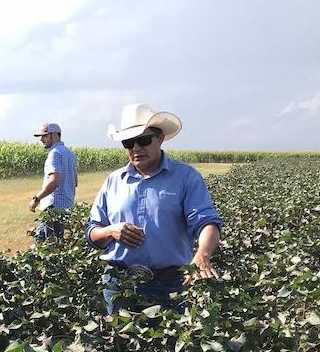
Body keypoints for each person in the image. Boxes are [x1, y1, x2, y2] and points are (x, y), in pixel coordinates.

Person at [87, 103, 222, 314]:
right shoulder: (114, 181)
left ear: (160, 138)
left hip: (169, 285)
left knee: (170, 335)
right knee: (118, 336)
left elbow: (207, 222)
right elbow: (93, 231)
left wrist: (202, 255)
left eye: (143, 140)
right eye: (128, 142)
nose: (136, 148)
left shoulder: (185, 177)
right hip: (118, 284)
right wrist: (110, 231)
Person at [29, 122, 78, 241]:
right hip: (66, 206)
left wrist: (36, 199)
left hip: (53, 207)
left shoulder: (54, 153)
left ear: (55, 135)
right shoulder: (70, 154)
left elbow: (54, 181)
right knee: (57, 242)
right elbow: (75, 182)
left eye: (45, 136)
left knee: (44, 244)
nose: (41, 139)